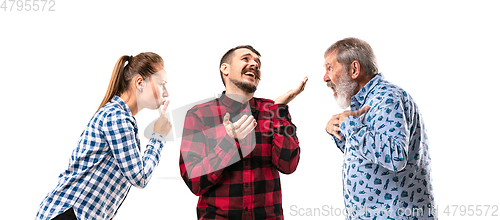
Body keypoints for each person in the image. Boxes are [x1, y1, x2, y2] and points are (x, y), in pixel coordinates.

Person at [35, 52, 172, 220]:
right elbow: (140, 177)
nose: (166, 93)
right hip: (68, 215)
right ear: (140, 83)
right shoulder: (116, 118)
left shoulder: (121, 118)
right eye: (162, 84)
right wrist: (158, 137)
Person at [179, 45, 307, 219]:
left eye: (258, 63)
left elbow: (289, 165)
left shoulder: (272, 111)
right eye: (246, 59)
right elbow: (194, 182)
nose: (254, 64)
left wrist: (280, 110)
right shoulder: (200, 115)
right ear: (225, 68)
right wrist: (229, 142)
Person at [324, 38, 436, 219]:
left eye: (330, 68)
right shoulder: (367, 102)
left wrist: (349, 125)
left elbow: (395, 157)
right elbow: (372, 158)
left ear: (354, 69)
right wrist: (339, 132)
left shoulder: (387, 98)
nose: (325, 77)